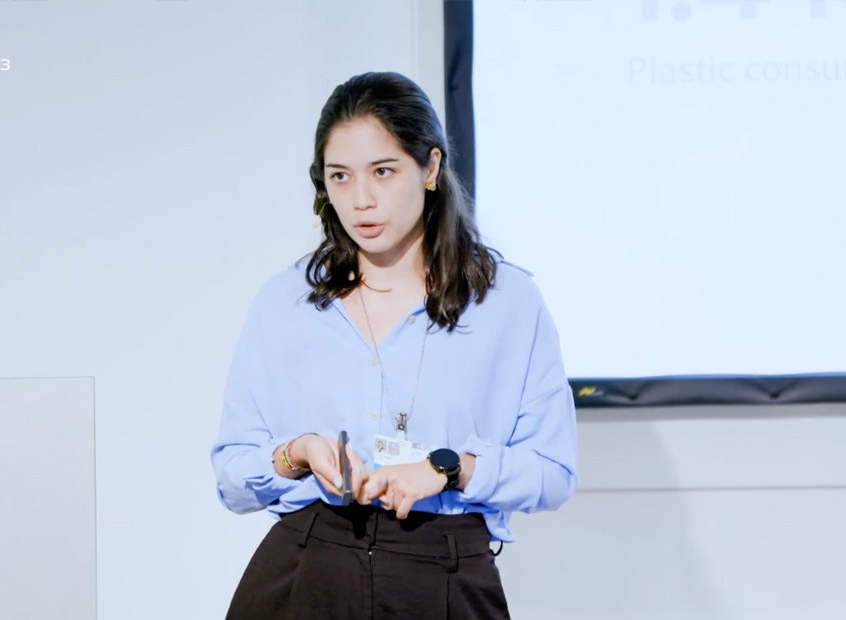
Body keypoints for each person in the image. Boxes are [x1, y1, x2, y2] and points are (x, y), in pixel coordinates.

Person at [210, 71, 578, 619]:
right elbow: (232, 476)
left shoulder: (507, 303)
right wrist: (300, 452)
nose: (361, 200)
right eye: (340, 177)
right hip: (307, 566)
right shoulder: (286, 301)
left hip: (444, 571)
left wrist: (449, 468)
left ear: (429, 168)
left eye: (383, 172)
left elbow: (553, 472)